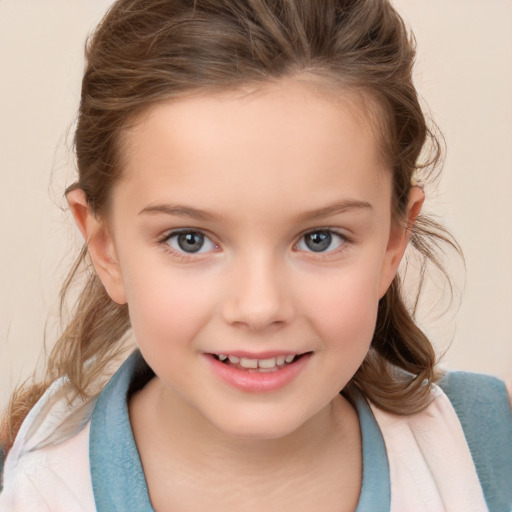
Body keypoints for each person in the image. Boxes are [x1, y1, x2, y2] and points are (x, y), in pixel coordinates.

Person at [0, 0, 510, 510]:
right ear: (105, 247)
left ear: (393, 242)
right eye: (190, 240)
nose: (260, 308)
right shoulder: (31, 490)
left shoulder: (486, 452)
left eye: (319, 238)